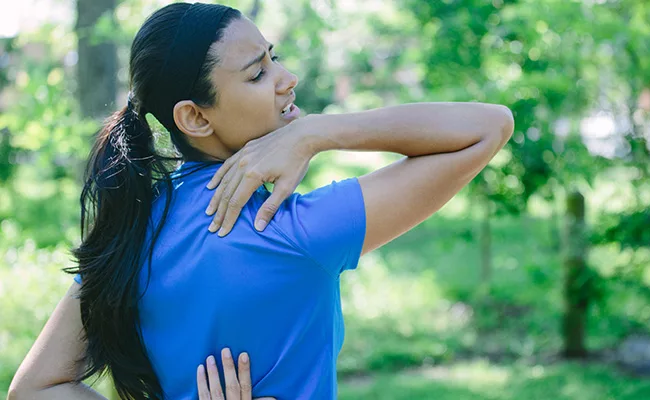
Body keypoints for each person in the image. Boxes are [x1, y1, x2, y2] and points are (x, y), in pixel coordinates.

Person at [8, 2, 513, 400]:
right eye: (257, 74)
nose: (286, 78)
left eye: (273, 57)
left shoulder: (132, 230)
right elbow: (489, 127)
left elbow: (34, 387)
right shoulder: (294, 230)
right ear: (196, 118)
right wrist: (319, 132)